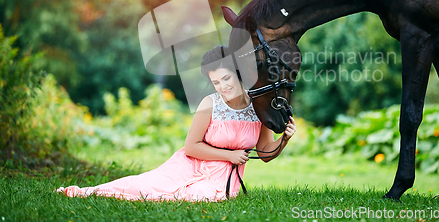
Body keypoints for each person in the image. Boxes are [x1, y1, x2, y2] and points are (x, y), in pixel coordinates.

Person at [57, 45, 296, 202]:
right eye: (216, 82)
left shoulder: (257, 106)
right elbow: (191, 146)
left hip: (224, 180)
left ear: (238, 73)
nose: (223, 87)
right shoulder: (209, 104)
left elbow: (265, 153)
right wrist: (230, 156)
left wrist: (283, 140)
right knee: (143, 187)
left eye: (226, 78)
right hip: (189, 166)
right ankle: (86, 192)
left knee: (201, 196)